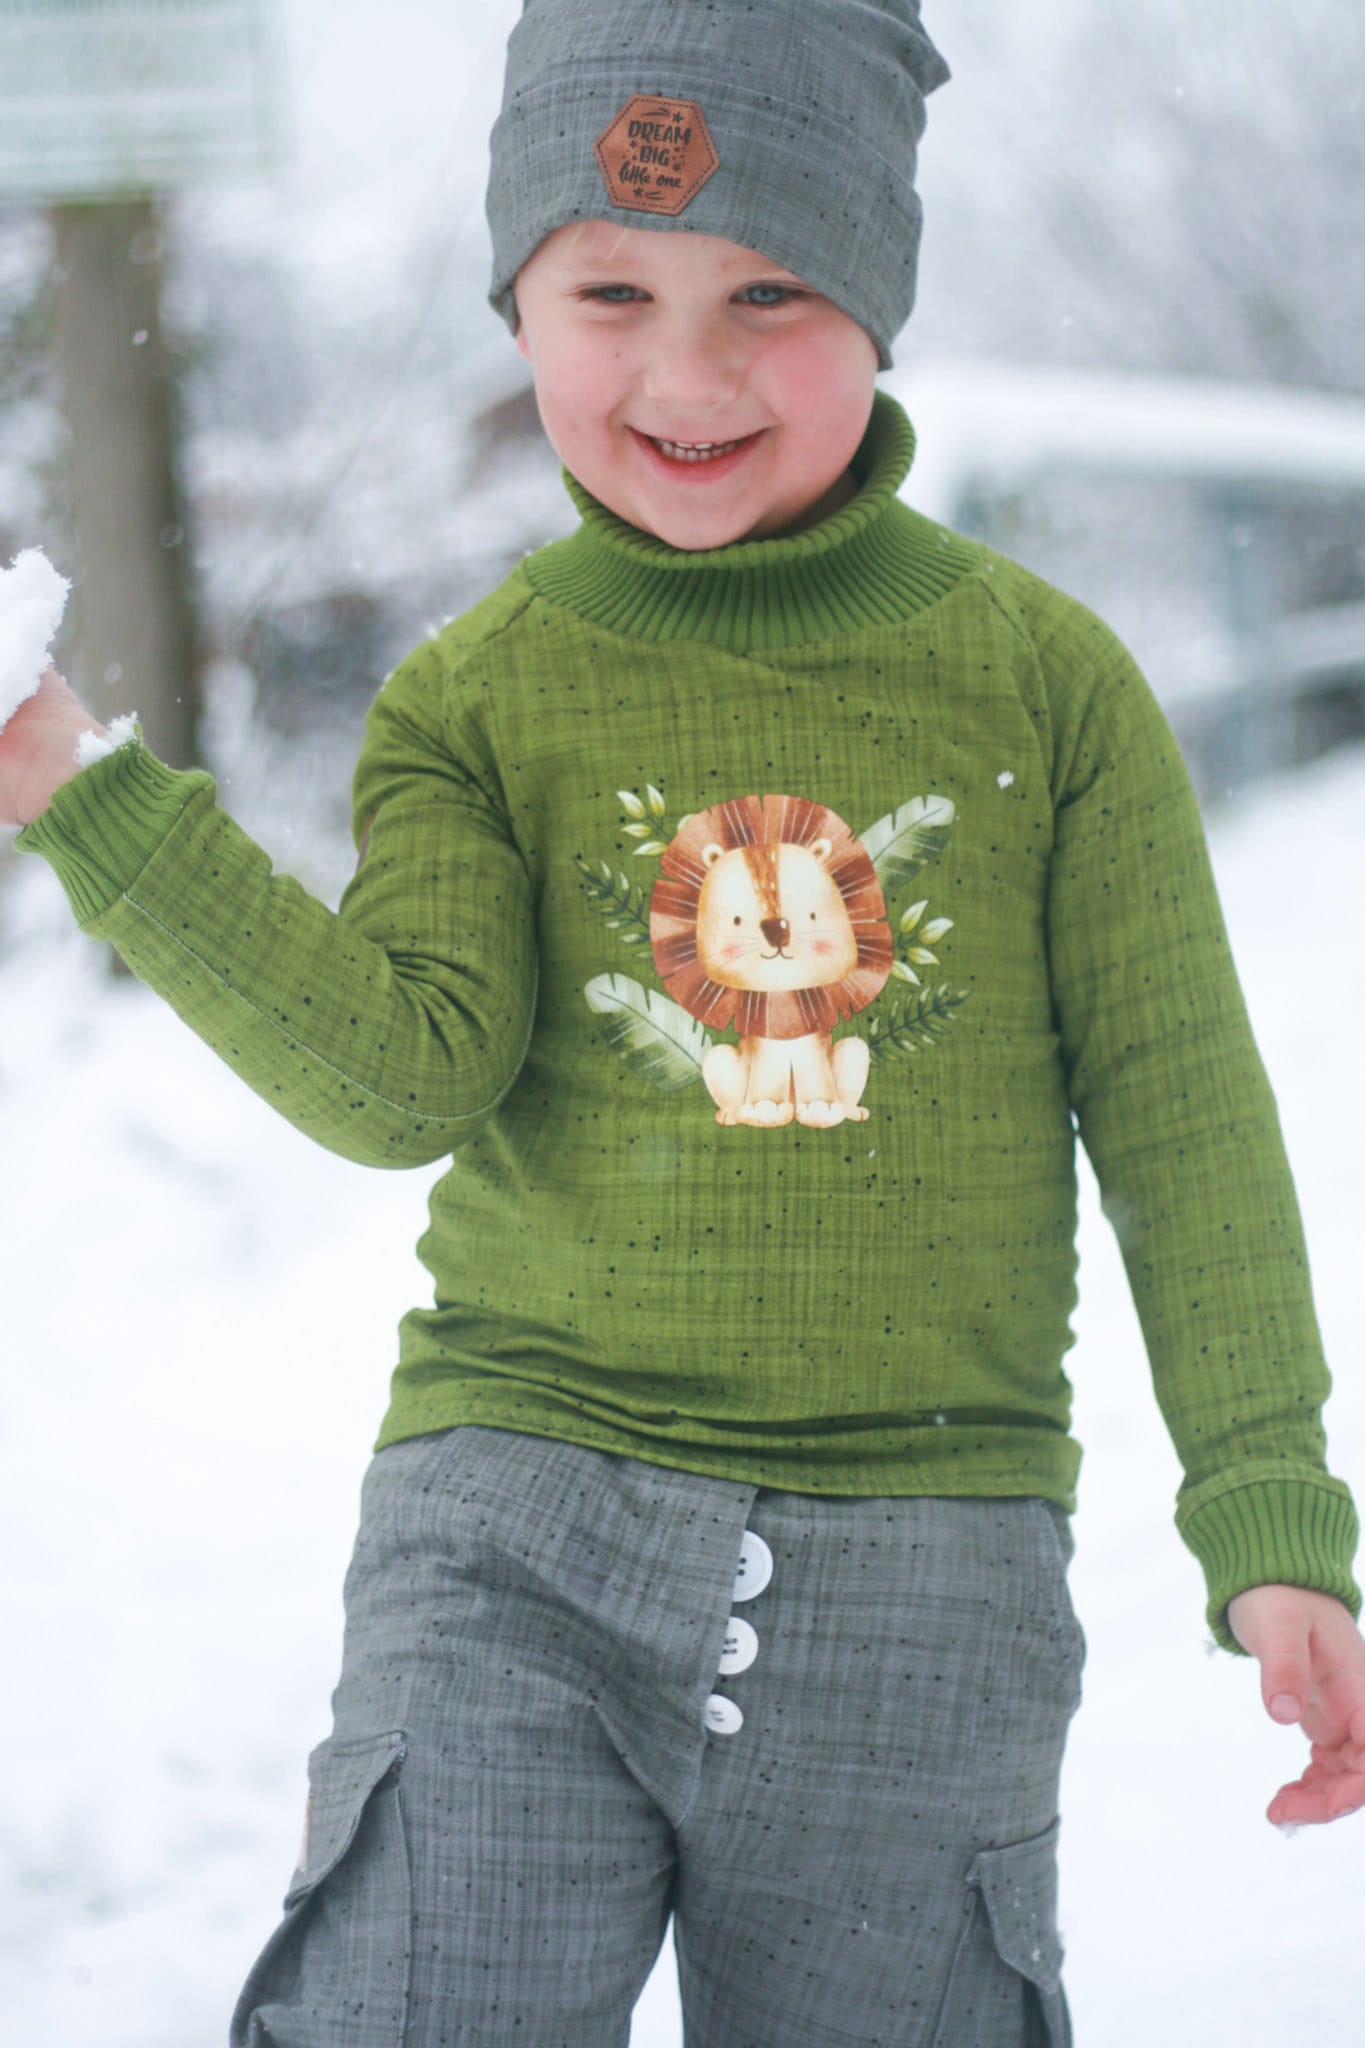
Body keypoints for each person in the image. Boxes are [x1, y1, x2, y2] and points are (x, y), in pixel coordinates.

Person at [3, 2, 1364, 2041]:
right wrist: (67, 781)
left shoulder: (1044, 684)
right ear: (519, 303)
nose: (687, 371)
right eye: (611, 292)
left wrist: (1265, 1508)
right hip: (516, 1522)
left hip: (926, 1555)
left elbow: (1183, 1124)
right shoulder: (474, 699)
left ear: (878, 297)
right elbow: (398, 1074)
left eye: (770, 291)